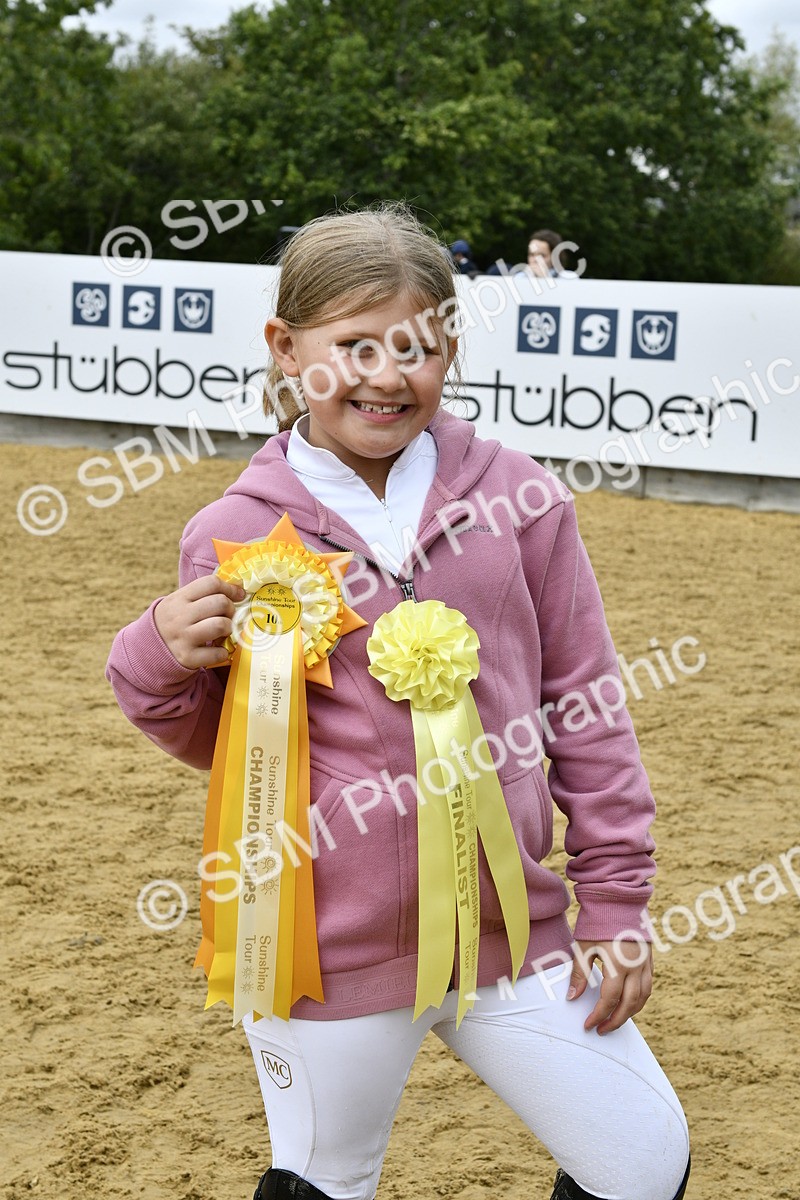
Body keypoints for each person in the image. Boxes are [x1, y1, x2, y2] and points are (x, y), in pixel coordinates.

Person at [106, 205, 690, 1200]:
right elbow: (221, 740)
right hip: (324, 949)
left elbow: (585, 706)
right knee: (327, 1183)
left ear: (448, 350)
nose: (385, 375)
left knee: (643, 1160)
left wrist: (618, 901)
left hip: (513, 930)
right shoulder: (232, 533)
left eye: (413, 347)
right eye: (353, 346)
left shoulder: (523, 499)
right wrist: (152, 655)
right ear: (287, 350)